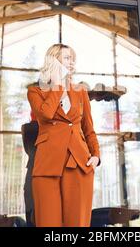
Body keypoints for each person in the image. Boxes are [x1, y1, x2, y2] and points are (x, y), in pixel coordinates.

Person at [27, 43, 101, 227]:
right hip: (47, 163)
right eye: (67, 58)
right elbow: (45, 114)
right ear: (53, 60)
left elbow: (88, 128)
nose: (71, 62)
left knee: (77, 223)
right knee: (48, 223)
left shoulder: (80, 91)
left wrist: (96, 156)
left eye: (72, 58)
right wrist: (58, 85)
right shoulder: (35, 91)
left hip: (79, 163)